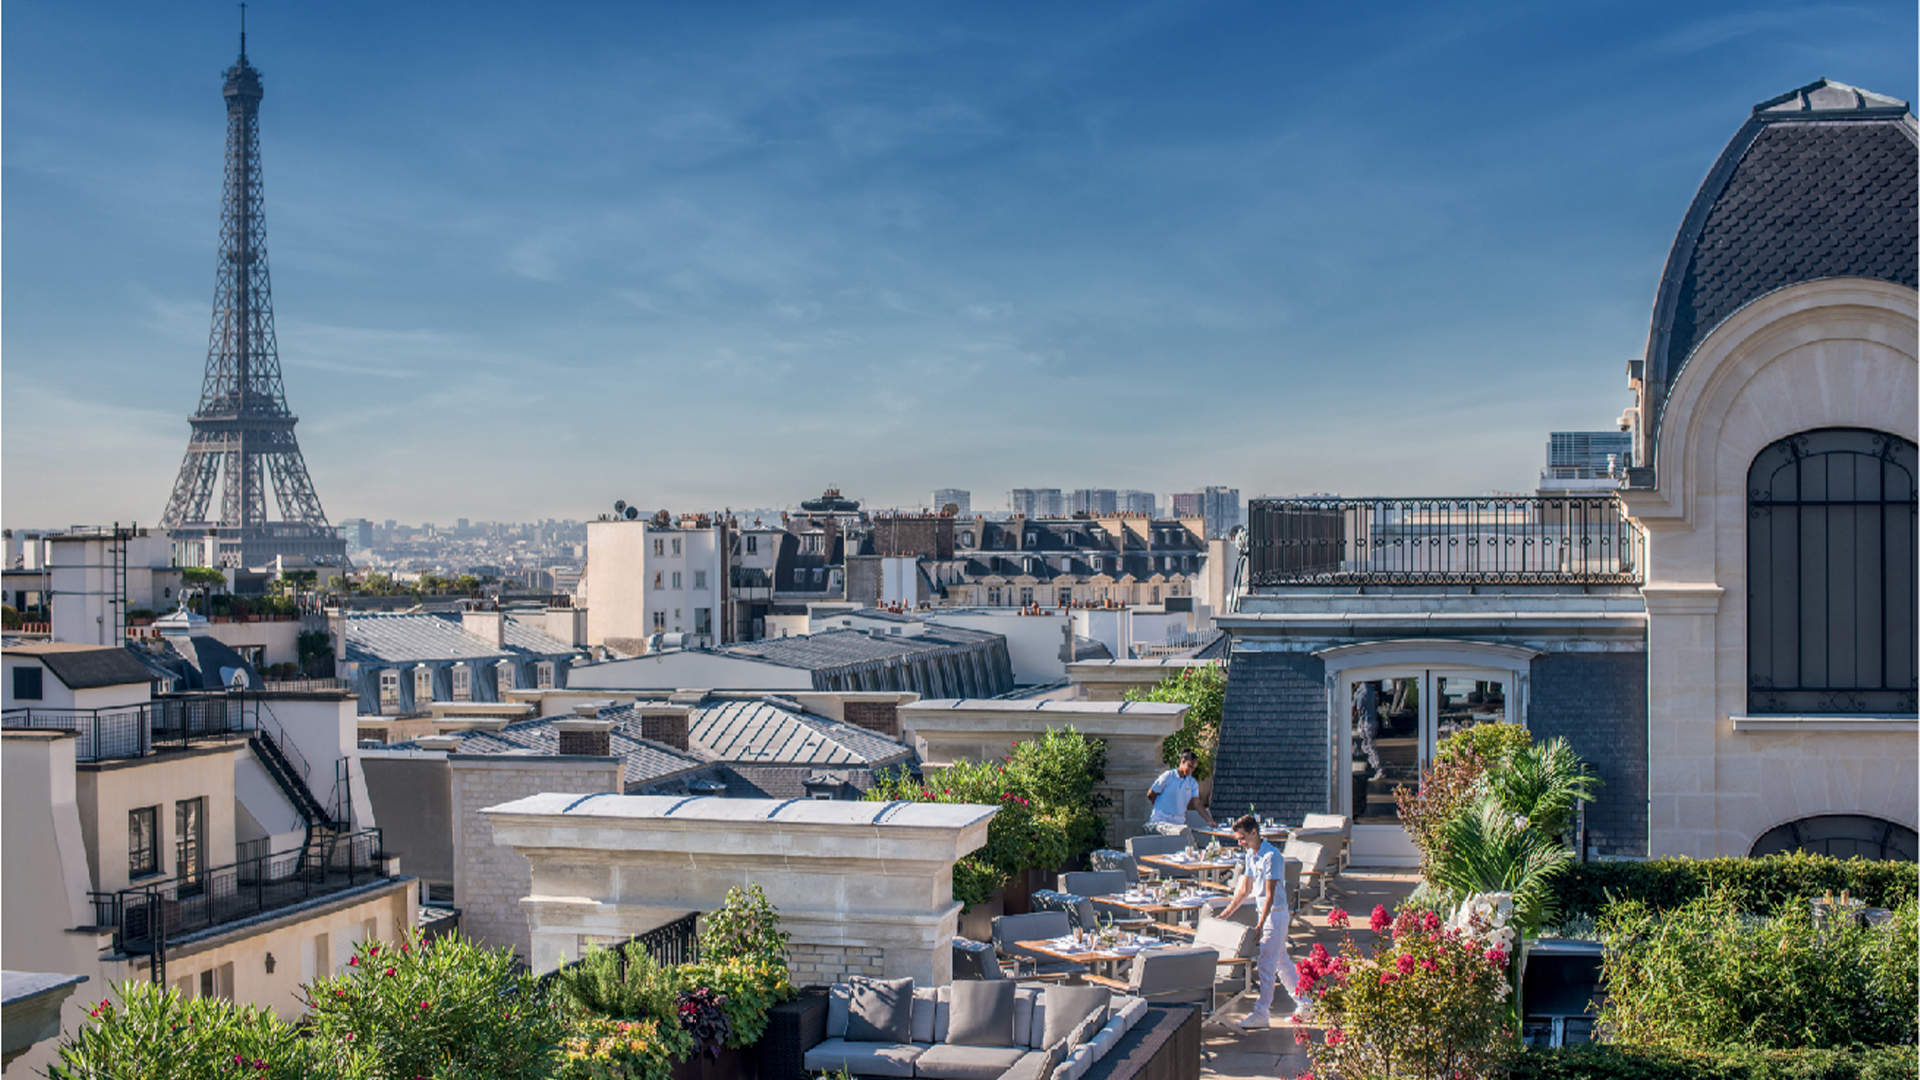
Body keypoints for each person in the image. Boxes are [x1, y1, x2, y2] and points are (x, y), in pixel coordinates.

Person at [1219, 814, 1308, 1028]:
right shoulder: (1251, 854)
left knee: (1266, 965)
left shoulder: (1272, 856)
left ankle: (1262, 1012)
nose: (1240, 843)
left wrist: (1260, 924)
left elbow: (1269, 895)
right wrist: (1226, 914)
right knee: (1281, 962)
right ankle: (1305, 1003)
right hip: (1266, 913)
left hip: (1275, 914)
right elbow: (1245, 890)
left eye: (1242, 838)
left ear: (1254, 832)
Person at [1146, 750, 1212, 833]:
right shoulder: (1168, 776)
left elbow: (1197, 803)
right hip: (1162, 819)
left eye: (1194, 768)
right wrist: (1162, 806)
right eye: (1190, 766)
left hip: (1179, 821)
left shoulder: (1192, 783)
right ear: (1183, 762)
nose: (1192, 770)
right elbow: (1151, 794)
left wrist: (1209, 819)